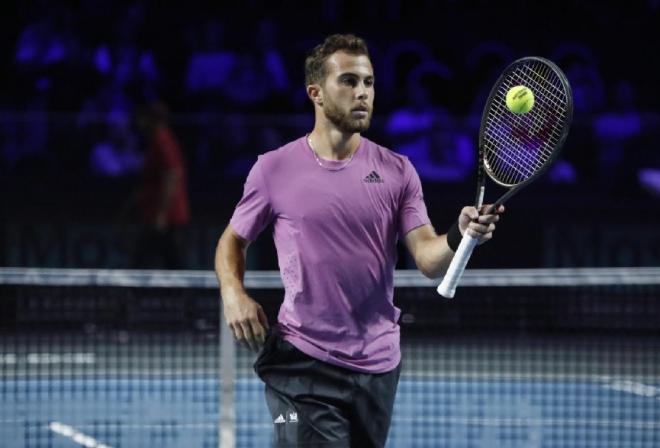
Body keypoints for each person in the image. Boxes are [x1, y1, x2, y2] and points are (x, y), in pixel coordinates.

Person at [215, 34, 503, 447]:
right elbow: (231, 241)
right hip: (303, 359)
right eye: (348, 81)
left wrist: (460, 235)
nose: (362, 92)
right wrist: (233, 292)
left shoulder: (397, 171)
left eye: (368, 83)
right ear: (315, 92)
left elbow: (427, 257)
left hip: (378, 364)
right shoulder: (273, 170)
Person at [129, 101, 190, 269]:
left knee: (148, 258)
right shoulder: (157, 140)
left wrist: (162, 215)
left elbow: (172, 176)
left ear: (152, 119)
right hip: (157, 214)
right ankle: (177, 295)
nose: (138, 121)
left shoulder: (162, 140)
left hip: (166, 216)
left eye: (143, 117)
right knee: (167, 259)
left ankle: (134, 294)